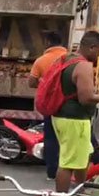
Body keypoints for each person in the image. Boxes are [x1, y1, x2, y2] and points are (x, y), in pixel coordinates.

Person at [52, 30, 99, 196]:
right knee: (68, 164)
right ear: (91, 47)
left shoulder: (66, 59)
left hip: (64, 118)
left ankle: (81, 193)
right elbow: (87, 99)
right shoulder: (83, 66)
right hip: (74, 121)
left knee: (83, 156)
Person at [29, 31, 68, 180]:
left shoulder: (41, 61)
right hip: (69, 106)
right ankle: (68, 171)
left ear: (47, 43)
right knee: (67, 138)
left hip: (51, 106)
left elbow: (31, 82)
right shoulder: (71, 58)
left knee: (51, 138)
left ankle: (52, 172)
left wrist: (43, 83)